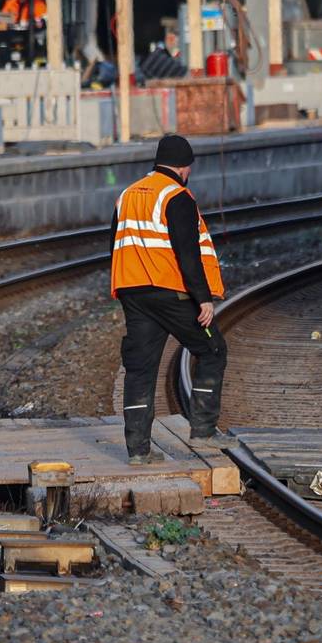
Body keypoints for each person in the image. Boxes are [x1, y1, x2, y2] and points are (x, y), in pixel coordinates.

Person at [110, 134, 228, 465]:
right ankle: (203, 432)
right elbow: (187, 254)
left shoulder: (127, 195)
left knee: (140, 368)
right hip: (170, 292)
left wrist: (128, 287)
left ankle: (138, 451)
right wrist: (203, 298)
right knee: (212, 350)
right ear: (183, 167)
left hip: (133, 293)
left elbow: (114, 244)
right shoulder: (176, 196)